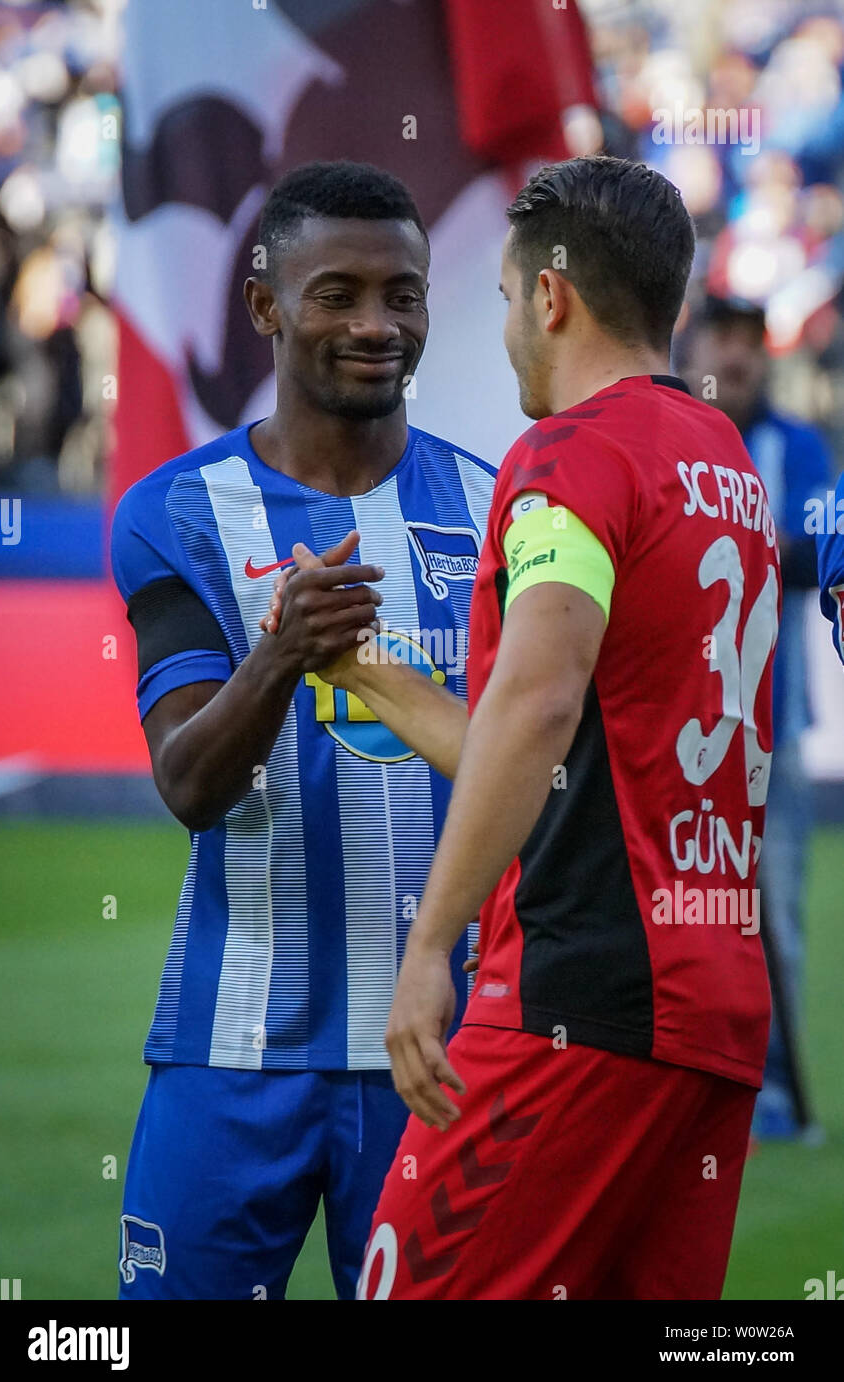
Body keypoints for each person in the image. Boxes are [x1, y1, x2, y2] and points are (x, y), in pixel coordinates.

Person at [319, 155, 779, 1300]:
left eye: (504, 299)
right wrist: (365, 668)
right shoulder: (722, 464)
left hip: (574, 1008)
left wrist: (430, 947)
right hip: (708, 1018)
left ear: (550, 296)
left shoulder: (569, 456)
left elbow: (538, 703)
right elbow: (556, 756)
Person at [110, 160, 496, 1300]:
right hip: (232, 1056)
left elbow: (537, 768)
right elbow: (187, 783)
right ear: (265, 304)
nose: (376, 325)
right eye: (337, 294)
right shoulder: (177, 511)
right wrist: (281, 653)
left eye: (403, 295)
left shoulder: (496, 508)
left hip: (440, 1052)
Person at [679, 296, 830, 1142]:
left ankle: (777, 1098)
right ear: (693, 344)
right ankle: (704, 1088)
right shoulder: (671, 433)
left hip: (772, 726)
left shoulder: (795, 445)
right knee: (688, 919)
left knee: (778, 921)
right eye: (722, 340)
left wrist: (714, 546)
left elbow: (818, 548)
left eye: (748, 343)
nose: (735, 358)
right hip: (677, 737)